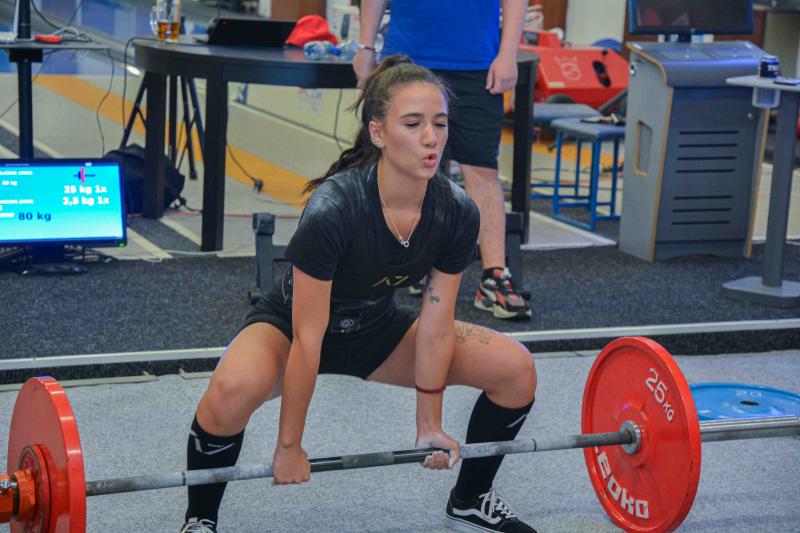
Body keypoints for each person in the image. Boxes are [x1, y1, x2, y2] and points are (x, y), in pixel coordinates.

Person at [180, 56, 538, 533]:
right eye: (413, 124)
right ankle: (200, 518)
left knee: (515, 369)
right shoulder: (335, 206)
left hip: (375, 329)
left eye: (439, 124)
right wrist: (289, 445)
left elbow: (436, 323)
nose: (431, 138)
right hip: (290, 330)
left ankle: (470, 499)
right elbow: (309, 337)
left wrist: (428, 424)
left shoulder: (456, 210)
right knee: (230, 391)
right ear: (378, 132)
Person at [354, 0, 532, 320]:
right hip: (409, 59)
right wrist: (365, 47)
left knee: (481, 169)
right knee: (402, 166)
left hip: (476, 63)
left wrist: (508, 53)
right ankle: (406, 262)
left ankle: (494, 276)